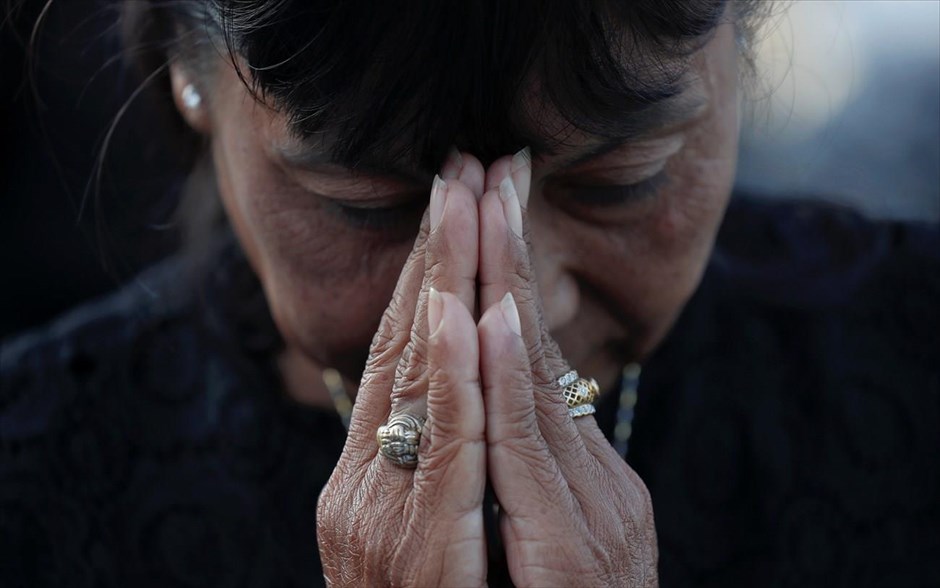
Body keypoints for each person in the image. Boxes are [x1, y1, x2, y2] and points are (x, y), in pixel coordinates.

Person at [1, 0, 937, 586]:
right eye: (364, 205)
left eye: (620, 182)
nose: (520, 302)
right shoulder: (29, 489)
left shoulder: (914, 363)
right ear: (188, 79)